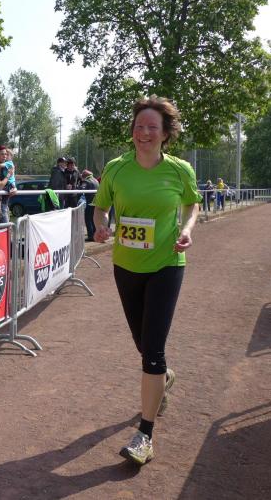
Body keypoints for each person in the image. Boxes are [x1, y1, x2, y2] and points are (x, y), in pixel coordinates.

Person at [93, 95, 201, 465]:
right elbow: (100, 207)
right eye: (139, 126)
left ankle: (145, 435)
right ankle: (163, 376)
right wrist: (101, 226)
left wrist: (187, 229)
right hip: (126, 265)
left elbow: (192, 203)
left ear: (166, 133)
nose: (144, 133)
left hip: (167, 264)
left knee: (152, 349)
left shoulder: (180, 171)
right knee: (143, 345)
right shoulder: (116, 169)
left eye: (152, 127)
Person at [80, 169, 99, 240]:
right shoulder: (96, 180)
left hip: (90, 202)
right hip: (96, 202)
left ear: (84, 176)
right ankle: (94, 234)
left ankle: (90, 236)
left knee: (88, 219)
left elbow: (81, 189)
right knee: (93, 219)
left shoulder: (86, 181)